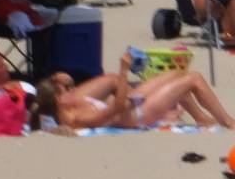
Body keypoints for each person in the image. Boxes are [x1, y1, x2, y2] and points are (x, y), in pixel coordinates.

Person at [35, 53, 235, 131]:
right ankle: (228, 122)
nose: (72, 90)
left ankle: (201, 118)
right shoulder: (78, 116)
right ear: (58, 99)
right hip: (138, 114)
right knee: (194, 79)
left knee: (176, 74)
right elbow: (116, 108)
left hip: (132, 106)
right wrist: (124, 71)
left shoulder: (70, 107)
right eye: (67, 90)